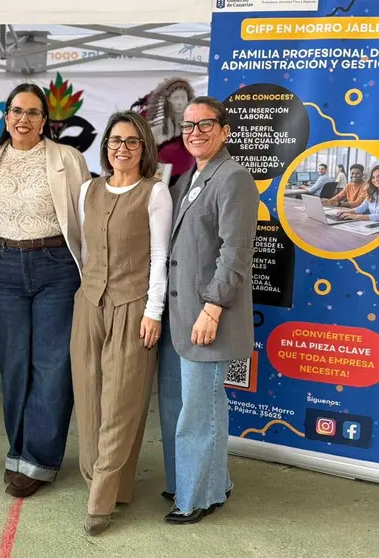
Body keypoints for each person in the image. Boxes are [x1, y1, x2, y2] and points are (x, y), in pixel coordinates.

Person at [0, 83, 91, 498]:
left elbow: (87, 218)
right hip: (5, 268)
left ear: (44, 120)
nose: (24, 119)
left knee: (53, 365)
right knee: (14, 364)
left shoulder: (67, 158)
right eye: (17, 111)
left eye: (33, 112)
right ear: (6, 117)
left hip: (57, 267)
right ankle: (17, 450)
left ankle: (39, 459)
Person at [158, 96, 258, 524]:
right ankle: (212, 483)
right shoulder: (188, 179)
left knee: (200, 412)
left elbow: (236, 253)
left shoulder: (233, 177)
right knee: (193, 407)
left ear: (225, 130)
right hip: (180, 315)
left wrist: (213, 307)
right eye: (188, 125)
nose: (194, 132)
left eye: (205, 124)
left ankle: (196, 498)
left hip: (207, 316)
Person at [71, 111, 172, 535]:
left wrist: (154, 310)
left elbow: (160, 256)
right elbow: (85, 249)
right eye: (115, 140)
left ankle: (100, 500)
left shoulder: (155, 193)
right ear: (106, 146)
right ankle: (108, 484)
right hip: (89, 304)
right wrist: (88, 292)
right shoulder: (87, 190)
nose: (122, 148)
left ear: (143, 147)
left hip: (133, 307)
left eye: (132, 141)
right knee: (89, 401)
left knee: (121, 403)